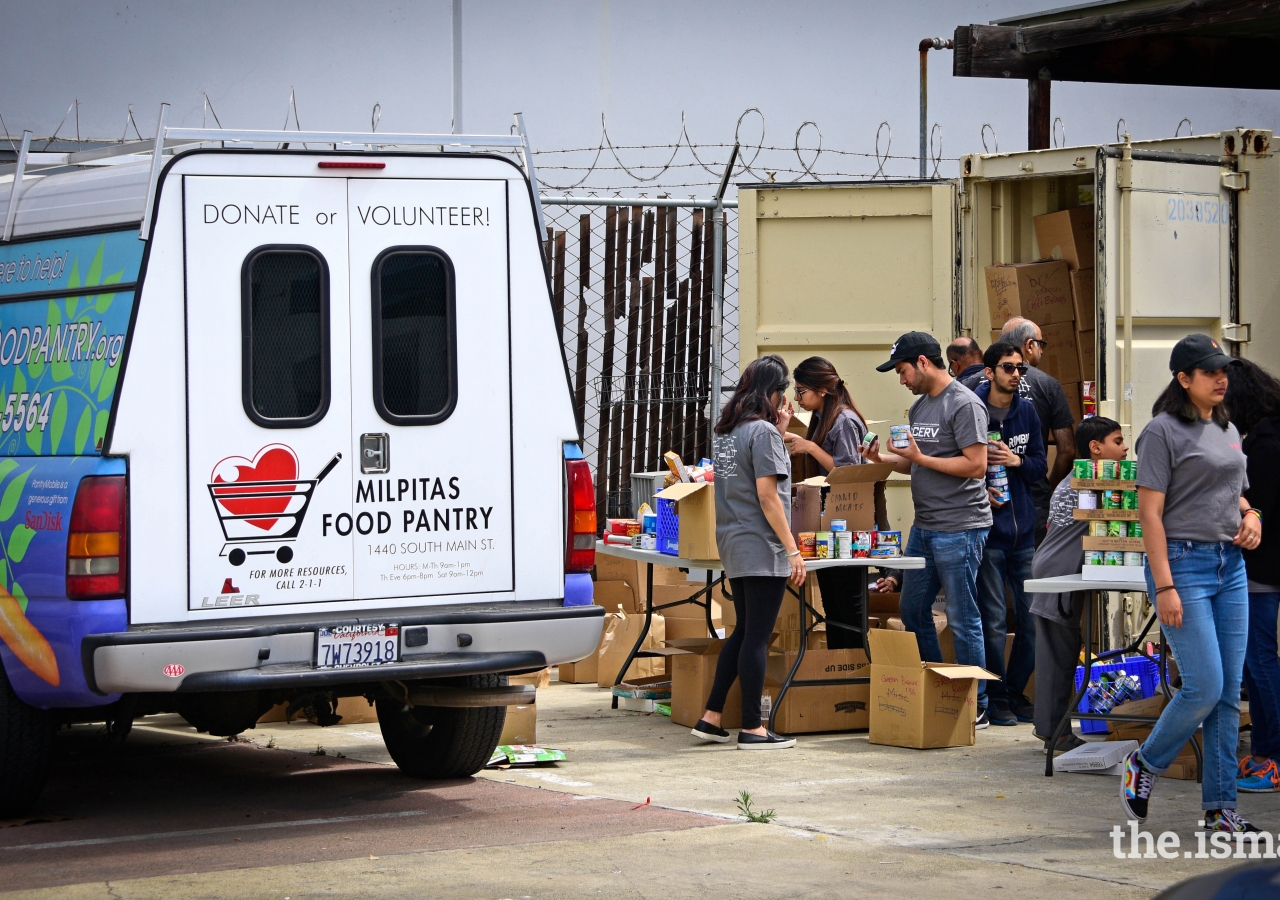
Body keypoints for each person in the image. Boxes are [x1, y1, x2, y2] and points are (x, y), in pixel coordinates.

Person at [1121, 334, 1261, 835]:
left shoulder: (1226, 428)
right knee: (1203, 685)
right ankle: (1146, 762)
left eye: (1224, 370)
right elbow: (1150, 515)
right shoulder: (1161, 432)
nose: (1221, 378)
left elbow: (1236, 495)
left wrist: (1254, 516)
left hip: (1231, 567)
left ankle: (1219, 807)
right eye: (1210, 372)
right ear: (1184, 379)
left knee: (1226, 692)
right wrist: (1164, 587)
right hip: (1183, 565)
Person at [865, 332, 993, 725]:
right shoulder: (920, 408)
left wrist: (920, 456)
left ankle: (975, 701)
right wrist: (881, 459)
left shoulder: (965, 404)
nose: (901, 380)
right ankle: (939, 685)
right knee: (912, 608)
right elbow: (917, 462)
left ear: (922, 362)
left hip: (960, 527)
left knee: (962, 615)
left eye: (902, 371)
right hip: (926, 526)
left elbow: (976, 465)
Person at [693, 354, 806, 750]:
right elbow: (767, 494)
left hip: (733, 541)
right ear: (773, 393)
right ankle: (752, 728)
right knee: (757, 637)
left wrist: (779, 429)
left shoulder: (727, 432)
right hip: (762, 545)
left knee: (743, 633)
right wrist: (792, 550)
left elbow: (738, 481)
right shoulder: (763, 434)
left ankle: (711, 716)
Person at [1029, 416, 1128, 754]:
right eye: (1118, 441)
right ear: (1096, 448)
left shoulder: (1081, 478)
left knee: (1057, 652)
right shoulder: (1089, 482)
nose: (1125, 448)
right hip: (1058, 574)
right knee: (1059, 654)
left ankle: (1050, 730)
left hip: (1054, 570)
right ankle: (1055, 735)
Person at [972, 342, 1046, 726]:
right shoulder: (972, 410)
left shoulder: (1028, 413)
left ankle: (1016, 692)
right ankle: (996, 697)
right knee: (994, 619)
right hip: (989, 535)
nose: (1016, 374)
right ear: (989, 372)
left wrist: (1014, 459)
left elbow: (1039, 468)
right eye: (1007, 367)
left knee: (1033, 619)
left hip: (1025, 535)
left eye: (1020, 368)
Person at [782, 357, 872, 651]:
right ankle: (838, 673)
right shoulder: (822, 417)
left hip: (847, 523)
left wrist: (809, 447)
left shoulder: (843, 419)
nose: (799, 398)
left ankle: (855, 670)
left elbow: (846, 472)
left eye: (802, 391)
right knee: (833, 609)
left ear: (822, 389)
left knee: (848, 608)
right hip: (828, 523)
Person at [964, 318, 1075, 550]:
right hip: (1030, 500)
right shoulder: (1048, 384)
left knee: (991, 576)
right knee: (1028, 577)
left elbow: (952, 448)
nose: (1042, 351)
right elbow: (1067, 450)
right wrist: (1049, 490)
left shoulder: (967, 387)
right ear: (1029, 345)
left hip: (981, 501)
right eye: (1041, 344)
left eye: (1018, 369)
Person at [1223, 358, 1280, 793]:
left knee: (1257, 659)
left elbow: (1256, 505)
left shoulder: (1261, 444)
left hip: (1264, 564)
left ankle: (1270, 755)